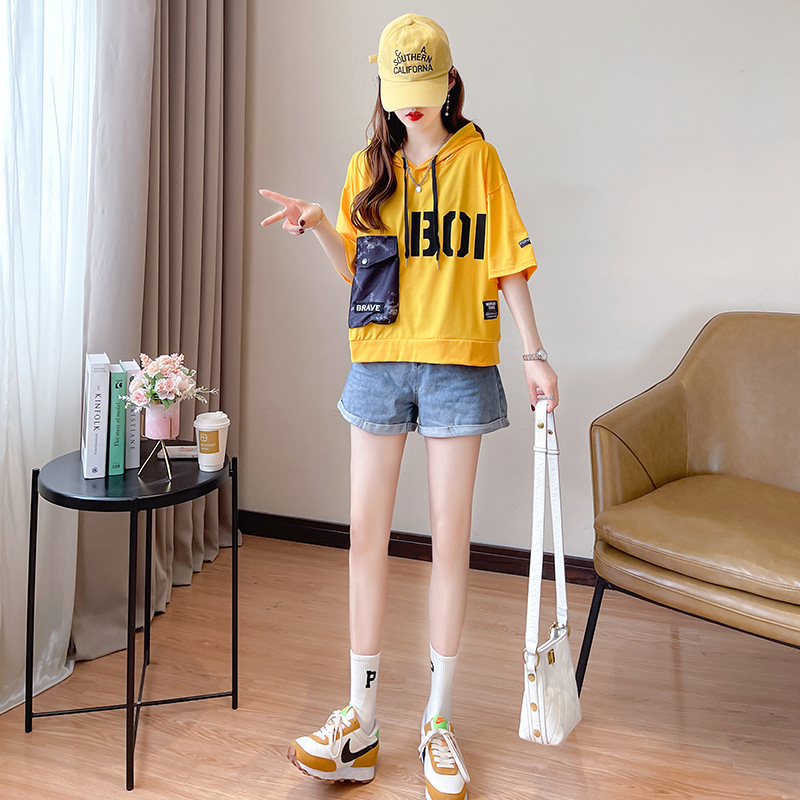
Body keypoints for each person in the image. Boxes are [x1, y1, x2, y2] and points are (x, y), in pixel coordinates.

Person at [260, 13, 557, 800]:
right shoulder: (369, 166)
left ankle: (437, 720)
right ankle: (359, 721)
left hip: (458, 363)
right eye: (399, 88)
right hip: (380, 362)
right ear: (384, 86)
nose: (412, 102)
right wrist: (320, 225)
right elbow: (358, 272)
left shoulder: (478, 159)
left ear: (449, 82)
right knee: (366, 535)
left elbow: (507, 261)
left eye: (424, 87)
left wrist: (534, 354)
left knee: (449, 543)